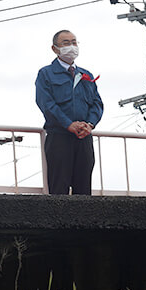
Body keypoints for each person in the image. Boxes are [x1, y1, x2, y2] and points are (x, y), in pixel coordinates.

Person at [35, 30, 104, 195]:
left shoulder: (86, 75)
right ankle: (59, 221)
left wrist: (89, 124)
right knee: (59, 188)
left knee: (84, 189)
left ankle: (83, 221)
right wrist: (68, 124)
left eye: (74, 42)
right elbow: (46, 104)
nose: (71, 46)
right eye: (66, 43)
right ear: (54, 48)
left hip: (84, 138)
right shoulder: (46, 74)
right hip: (59, 136)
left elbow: (97, 104)